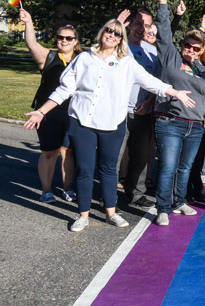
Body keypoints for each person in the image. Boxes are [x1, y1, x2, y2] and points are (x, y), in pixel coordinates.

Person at [23, 19, 195, 232]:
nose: (112, 35)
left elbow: (152, 82)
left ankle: (111, 213)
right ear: (101, 32)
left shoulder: (127, 63)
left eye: (117, 33)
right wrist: (41, 111)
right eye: (108, 31)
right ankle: (83, 215)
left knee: (108, 170)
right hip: (82, 122)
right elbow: (63, 90)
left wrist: (174, 92)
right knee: (85, 170)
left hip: (113, 125)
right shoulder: (84, 58)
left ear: (121, 38)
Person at [152, 0, 205, 226]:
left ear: (201, 50)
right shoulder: (171, 57)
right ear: (182, 45)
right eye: (187, 46)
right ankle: (163, 207)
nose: (190, 50)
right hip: (170, 122)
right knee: (168, 166)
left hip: (195, 126)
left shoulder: (204, 70)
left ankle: (179, 201)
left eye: (195, 48)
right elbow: (164, 34)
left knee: (185, 167)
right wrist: (163, 6)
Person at [19, 9, 78, 203]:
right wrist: (28, 22)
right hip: (48, 112)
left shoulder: (82, 60)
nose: (64, 41)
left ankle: (67, 189)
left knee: (67, 152)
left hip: (73, 112)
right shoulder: (49, 57)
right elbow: (31, 43)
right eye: (61, 37)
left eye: (69, 38)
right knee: (49, 152)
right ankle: (46, 190)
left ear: (75, 41)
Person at [121, 8, 160, 208]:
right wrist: (116, 26)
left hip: (143, 111)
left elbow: (157, 81)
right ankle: (107, 194)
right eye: (138, 23)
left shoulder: (152, 51)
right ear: (130, 24)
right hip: (119, 111)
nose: (141, 28)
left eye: (146, 25)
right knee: (115, 156)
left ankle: (136, 192)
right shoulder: (119, 46)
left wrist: (149, 101)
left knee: (141, 155)